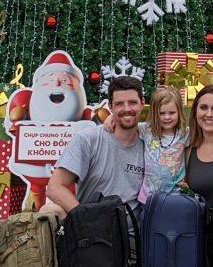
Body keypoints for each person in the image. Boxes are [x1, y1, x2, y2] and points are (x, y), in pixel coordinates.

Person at [45, 75, 147, 217]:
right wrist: (86, 219)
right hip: (93, 233)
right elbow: (55, 187)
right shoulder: (88, 140)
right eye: (119, 104)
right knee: (48, 211)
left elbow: (177, 127)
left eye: (132, 102)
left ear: (142, 103)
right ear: (110, 107)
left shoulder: (152, 139)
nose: (127, 109)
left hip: (135, 233)